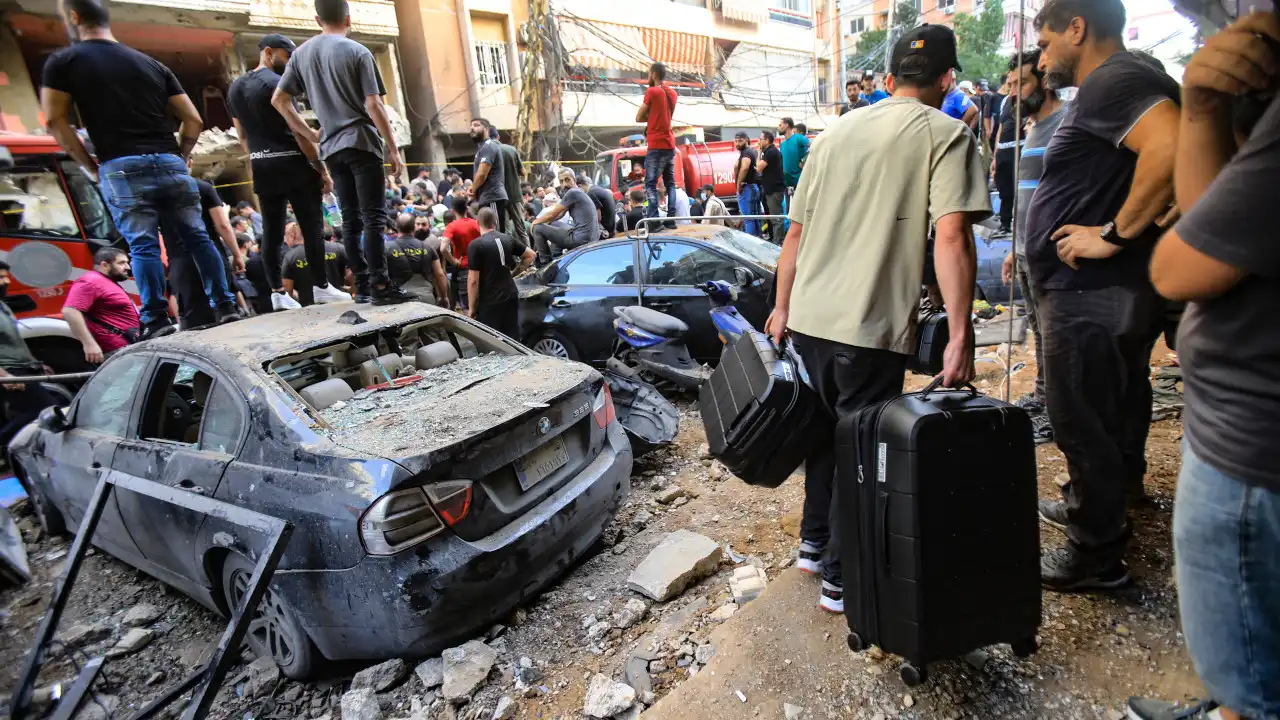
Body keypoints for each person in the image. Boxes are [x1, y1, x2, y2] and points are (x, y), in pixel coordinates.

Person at [765, 24, 986, 613]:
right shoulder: (947, 134)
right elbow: (953, 236)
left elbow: (794, 234)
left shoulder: (833, 134)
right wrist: (960, 336)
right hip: (867, 327)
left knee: (823, 440)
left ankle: (813, 547)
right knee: (862, 453)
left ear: (888, 80)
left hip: (809, 318)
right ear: (947, 80)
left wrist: (782, 307)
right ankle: (841, 579)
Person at [1129, 13, 1280, 720]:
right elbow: (1206, 209)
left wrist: (1119, 237)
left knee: (1254, 678)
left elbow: (1177, 262)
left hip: (1252, 459)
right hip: (1244, 443)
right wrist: (1206, 107)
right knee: (1250, 658)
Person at [1025, 0, 1180, 590]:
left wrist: (1113, 235)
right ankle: (1110, 498)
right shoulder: (1124, 83)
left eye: (1044, 43)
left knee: (1080, 416)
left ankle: (1096, 554)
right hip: (1102, 291)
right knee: (1114, 402)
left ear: (1077, 28)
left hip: (1089, 290)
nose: (1041, 60)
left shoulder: (1113, 79)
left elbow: (1169, 149)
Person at [40, 0, 241, 337]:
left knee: (143, 246)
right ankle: (225, 306)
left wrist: (90, 166)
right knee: (198, 238)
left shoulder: (64, 61)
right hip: (169, 161)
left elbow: (53, 119)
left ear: (74, 18)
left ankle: (156, 318)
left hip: (121, 165)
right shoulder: (151, 64)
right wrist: (182, 154)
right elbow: (192, 119)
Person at [272, 0, 412, 306]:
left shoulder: (301, 55)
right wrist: (392, 148)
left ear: (317, 18)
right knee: (373, 217)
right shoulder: (357, 51)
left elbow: (279, 100)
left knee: (350, 220)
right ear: (348, 17)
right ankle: (380, 284)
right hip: (361, 142)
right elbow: (373, 105)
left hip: (331, 148)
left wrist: (309, 132)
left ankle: (362, 285)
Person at [229, 34, 347, 312]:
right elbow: (298, 131)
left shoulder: (235, 88)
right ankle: (321, 287)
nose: (290, 61)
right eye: (287, 55)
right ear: (268, 52)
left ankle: (277, 292)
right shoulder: (276, 84)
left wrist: (259, 157)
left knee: (270, 231)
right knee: (312, 226)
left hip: (261, 164)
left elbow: (242, 135)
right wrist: (321, 168)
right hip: (292, 162)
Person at [998, 49, 1066, 445]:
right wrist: (1014, 247)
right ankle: (1044, 401)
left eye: (1021, 83)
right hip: (1025, 251)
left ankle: (1058, 414)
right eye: (1009, 85)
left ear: (1043, 81)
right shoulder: (1032, 130)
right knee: (1040, 334)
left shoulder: (1066, 125)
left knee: (1056, 340)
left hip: (1052, 256)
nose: (1012, 93)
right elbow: (1028, 197)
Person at [164, 177, 254, 328]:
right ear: (189, 161)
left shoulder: (153, 191)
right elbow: (223, 225)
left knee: (194, 320)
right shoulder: (202, 187)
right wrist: (236, 254)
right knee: (228, 315)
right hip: (212, 255)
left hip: (180, 261)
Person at [0, 262, 57, 452]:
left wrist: (35, 362)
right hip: (8, 370)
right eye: (1, 278)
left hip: (22, 367)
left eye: (6, 276)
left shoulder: (2, 305)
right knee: (44, 408)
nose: (6, 281)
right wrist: (4, 376)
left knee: (18, 412)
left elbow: (15, 339)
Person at [62, 248, 140, 364]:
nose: (128, 267)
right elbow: (70, 311)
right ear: (105, 265)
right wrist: (89, 344)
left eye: (127, 263)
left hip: (126, 347)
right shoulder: (90, 282)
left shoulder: (105, 281)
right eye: (121, 263)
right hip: (115, 350)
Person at [468, 207, 535, 337]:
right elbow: (531, 255)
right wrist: (516, 272)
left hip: (490, 299)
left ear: (477, 223)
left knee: (491, 340)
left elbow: (473, 281)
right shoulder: (507, 239)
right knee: (512, 336)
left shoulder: (476, 245)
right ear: (495, 223)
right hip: (510, 293)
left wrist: (471, 308)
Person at [531, 169, 600, 265]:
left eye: (567, 180)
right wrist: (547, 225)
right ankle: (556, 256)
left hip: (581, 239)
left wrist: (535, 223)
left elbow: (552, 214)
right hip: (590, 237)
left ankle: (544, 264)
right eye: (561, 181)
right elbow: (560, 214)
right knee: (556, 225)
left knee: (537, 228)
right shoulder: (579, 191)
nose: (564, 184)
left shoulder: (572, 192)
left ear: (574, 180)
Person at [637, 62, 679, 220]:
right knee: (670, 184)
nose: (648, 76)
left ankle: (654, 219)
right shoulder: (672, 94)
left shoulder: (652, 92)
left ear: (654, 74)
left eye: (648, 73)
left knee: (650, 184)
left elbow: (638, 117)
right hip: (670, 144)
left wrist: (651, 117)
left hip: (656, 144)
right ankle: (672, 218)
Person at [388, 212, 448, 305]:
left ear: (396, 226)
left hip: (399, 300)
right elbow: (440, 274)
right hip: (426, 300)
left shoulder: (387, 248)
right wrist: (443, 297)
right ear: (414, 226)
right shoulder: (428, 248)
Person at [467, 118, 508, 233]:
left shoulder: (489, 146)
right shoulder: (482, 148)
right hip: (486, 197)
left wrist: (472, 190)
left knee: (496, 234)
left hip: (493, 197)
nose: (472, 128)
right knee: (488, 235)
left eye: (476, 125)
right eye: (471, 126)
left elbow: (481, 174)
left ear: (486, 129)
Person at [442, 195, 482, 310]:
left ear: (453, 210)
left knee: (468, 306)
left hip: (463, 269)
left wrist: (454, 261)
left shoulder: (451, 226)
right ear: (467, 208)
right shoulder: (476, 223)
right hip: (480, 267)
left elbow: (443, 248)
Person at [494, 129, 527, 243]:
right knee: (521, 229)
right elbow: (523, 172)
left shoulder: (488, 152)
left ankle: (511, 257)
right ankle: (530, 257)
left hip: (499, 197)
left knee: (505, 231)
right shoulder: (511, 149)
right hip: (514, 195)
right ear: (498, 137)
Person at [757, 130, 786, 244]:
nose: (759, 141)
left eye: (761, 139)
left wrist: (758, 152)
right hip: (770, 189)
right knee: (772, 217)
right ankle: (775, 239)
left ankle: (778, 242)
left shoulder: (771, 152)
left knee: (776, 218)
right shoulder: (769, 151)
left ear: (767, 140)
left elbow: (759, 167)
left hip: (774, 190)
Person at [733, 132, 761, 236]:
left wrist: (738, 184)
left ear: (747, 140)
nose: (737, 143)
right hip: (753, 187)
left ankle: (752, 243)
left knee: (748, 219)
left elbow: (744, 167)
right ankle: (758, 240)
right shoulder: (751, 151)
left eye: (740, 141)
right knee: (755, 218)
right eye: (736, 141)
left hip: (747, 188)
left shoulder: (746, 153)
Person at [780, 119, 810, 194]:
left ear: (787, 125)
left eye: (780, 125)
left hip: (800, 181)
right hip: (787, 183)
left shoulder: (798, 138)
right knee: (788, 206)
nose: (778, 127)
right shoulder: (782, 144)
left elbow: (813, 147)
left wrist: (803, 161)